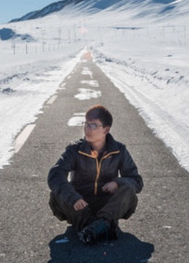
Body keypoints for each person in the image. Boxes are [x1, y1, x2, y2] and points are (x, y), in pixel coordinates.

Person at [48, 104, 143, 244]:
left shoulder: (119, 150)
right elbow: (55, 175)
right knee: (57, 193)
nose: (87, 128)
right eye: (86, 124)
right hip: (80, 205)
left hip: (108, 204)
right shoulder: (75, 149)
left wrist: (118, 182)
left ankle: (97, 225)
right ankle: (101, 226)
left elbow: (137, 181)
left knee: (128, 190)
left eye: (93, 125)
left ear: (106, 129)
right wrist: (73, 198)